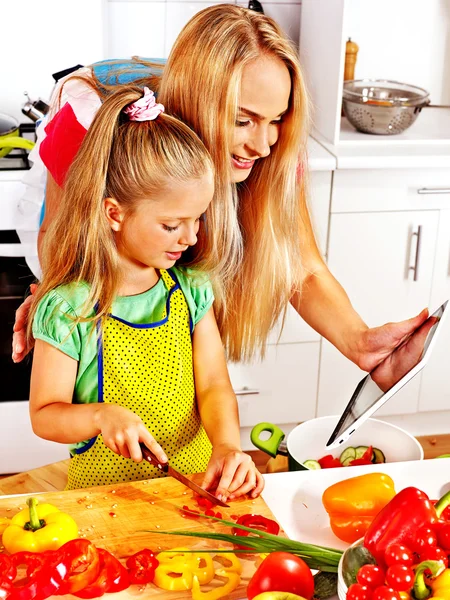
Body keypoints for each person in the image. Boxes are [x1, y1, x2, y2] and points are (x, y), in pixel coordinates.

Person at [15, 6, 428, 416]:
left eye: (276, 120)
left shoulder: (273, 148)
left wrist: (359, 340)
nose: (263, 144)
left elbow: (301, 266)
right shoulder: (92, 122)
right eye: (241, 121)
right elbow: (57, 232)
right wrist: (59, 296)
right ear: (198, 102)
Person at [28, 84, 264, 497]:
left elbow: (213, 384)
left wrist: (227, 446)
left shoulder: (191, 290)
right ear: (114, 213)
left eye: (198, 220)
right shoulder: (69, 309)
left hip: (193, 489)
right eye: (172, 225)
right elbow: (45, 415)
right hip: (104, 503)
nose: (190, 238)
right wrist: (100, 416)